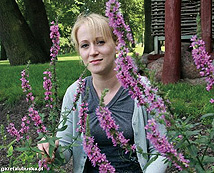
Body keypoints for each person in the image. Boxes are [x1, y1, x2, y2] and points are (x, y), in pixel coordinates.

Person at [38, 13, 168, 173]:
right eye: (85, 45)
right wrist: (51, 150)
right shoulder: (75, 93)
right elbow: (64, 153)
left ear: (117, 44)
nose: (93, 52)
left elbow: (161, 150)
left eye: (100, 42)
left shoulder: (143, 89)